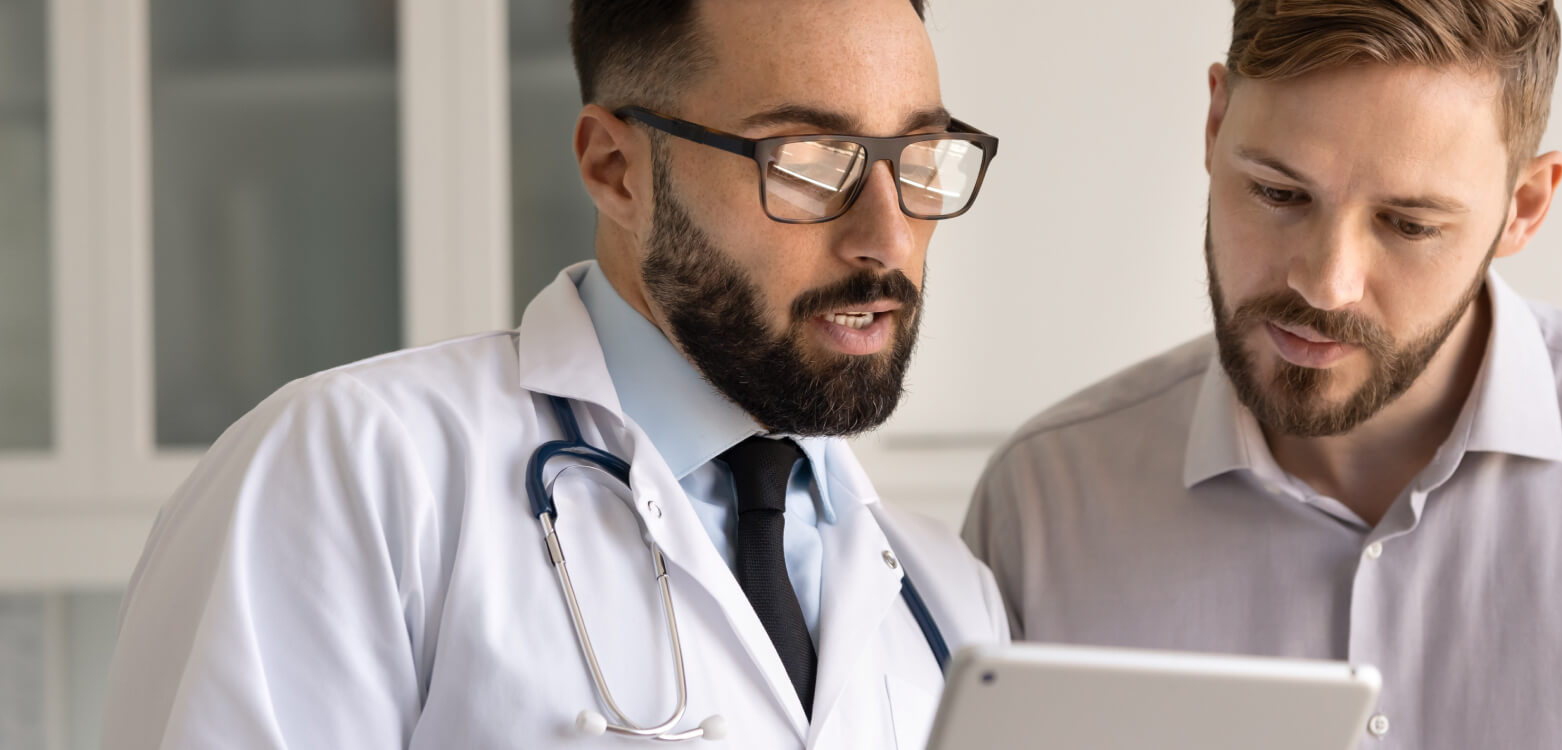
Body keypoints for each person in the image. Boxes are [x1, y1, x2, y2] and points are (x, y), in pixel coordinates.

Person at [963, 1, 1562, 747]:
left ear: (1524, 207)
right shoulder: (1044, 507)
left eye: (1409, 224)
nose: (1325, 283)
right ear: (1214, 125)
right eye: (1279, 193)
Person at [100, 1, 1006, 747]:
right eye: (808, 163)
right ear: (616, 169)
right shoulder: (355, 474)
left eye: (918, 161)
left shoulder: (945, 600)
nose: (888, 239)